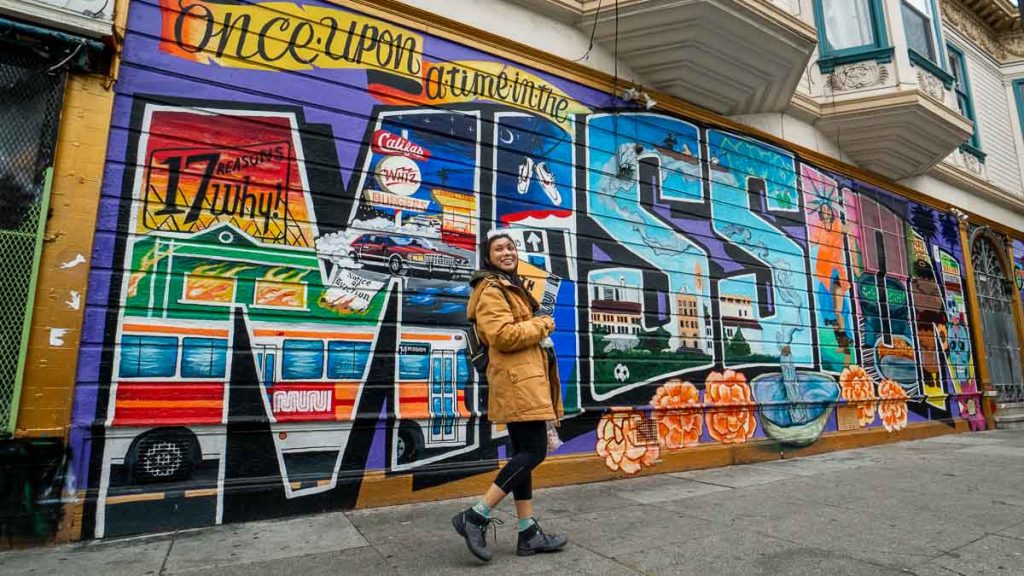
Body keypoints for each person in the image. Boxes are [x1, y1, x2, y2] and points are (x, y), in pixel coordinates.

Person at [451, 229, 567, 561]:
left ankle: (527, 533)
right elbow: (501, 335)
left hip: (524, 379)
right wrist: (543, 324)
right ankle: (475, 515)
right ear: (488, 258)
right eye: (499, 248)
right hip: (517, 382)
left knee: (523, 454)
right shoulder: (491, 290)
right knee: (534, 451)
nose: (507, 252)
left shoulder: (511, 288)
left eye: (511, 247)